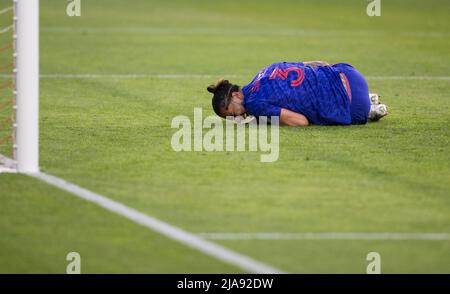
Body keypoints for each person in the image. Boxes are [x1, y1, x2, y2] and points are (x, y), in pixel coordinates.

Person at [207, 61, 388, 126]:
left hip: (355, 107)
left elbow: (301, 122)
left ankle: (369, 109)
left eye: (233, 113)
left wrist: (267, 122)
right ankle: (369, 96)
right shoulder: (265, 71)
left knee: (326, 110)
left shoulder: (255, 104)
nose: (238, 118)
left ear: (236, 96)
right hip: (350, 74)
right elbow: (319, 63)